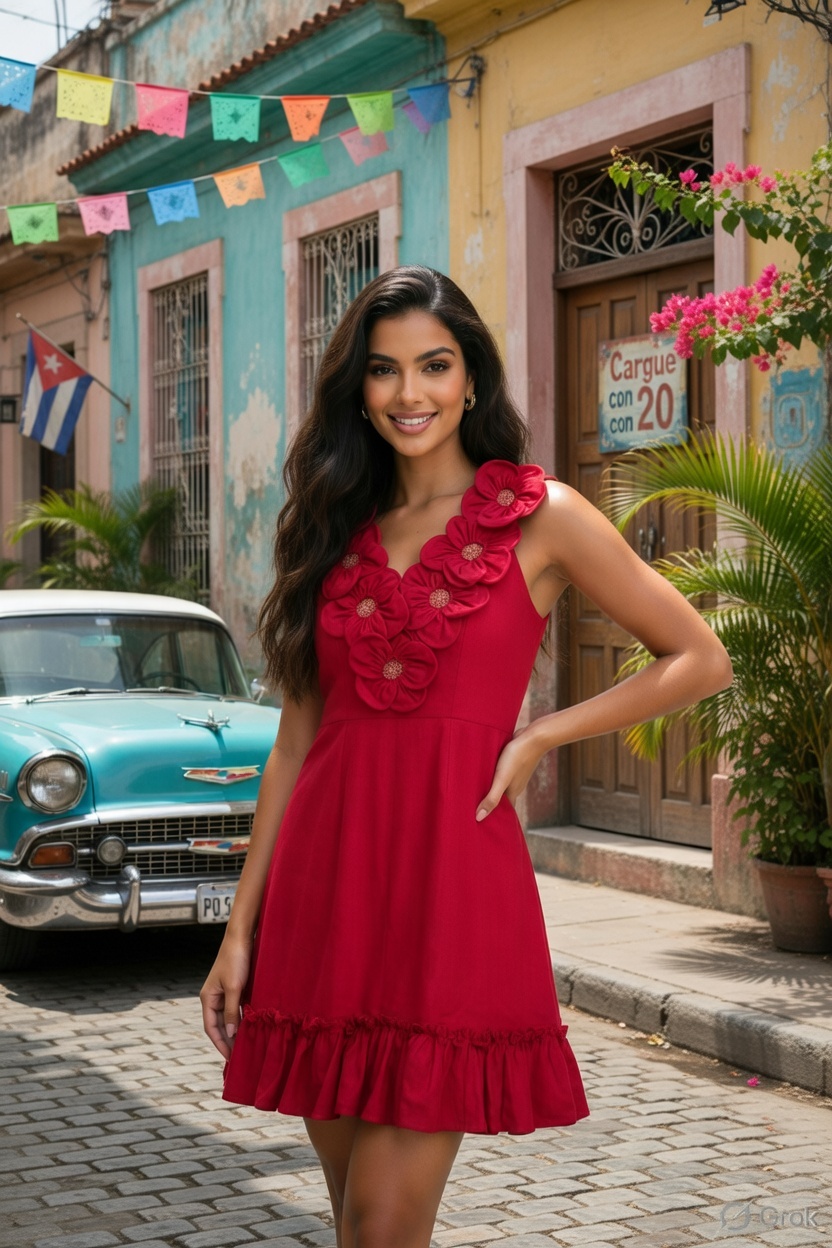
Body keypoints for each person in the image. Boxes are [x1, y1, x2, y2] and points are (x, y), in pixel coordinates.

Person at [200, 265, 733, 1248]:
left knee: (379, 1224)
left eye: (434, 366)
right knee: (352, 1221)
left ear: (473, 380)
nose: (410, 394)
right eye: (384, 371)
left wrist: (539, 734)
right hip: (325, 902)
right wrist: (240, 934)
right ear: (357, 392)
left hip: (452, 894)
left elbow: (698, 657)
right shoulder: (335, 531)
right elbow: (296, 742)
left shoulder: (542, 515)